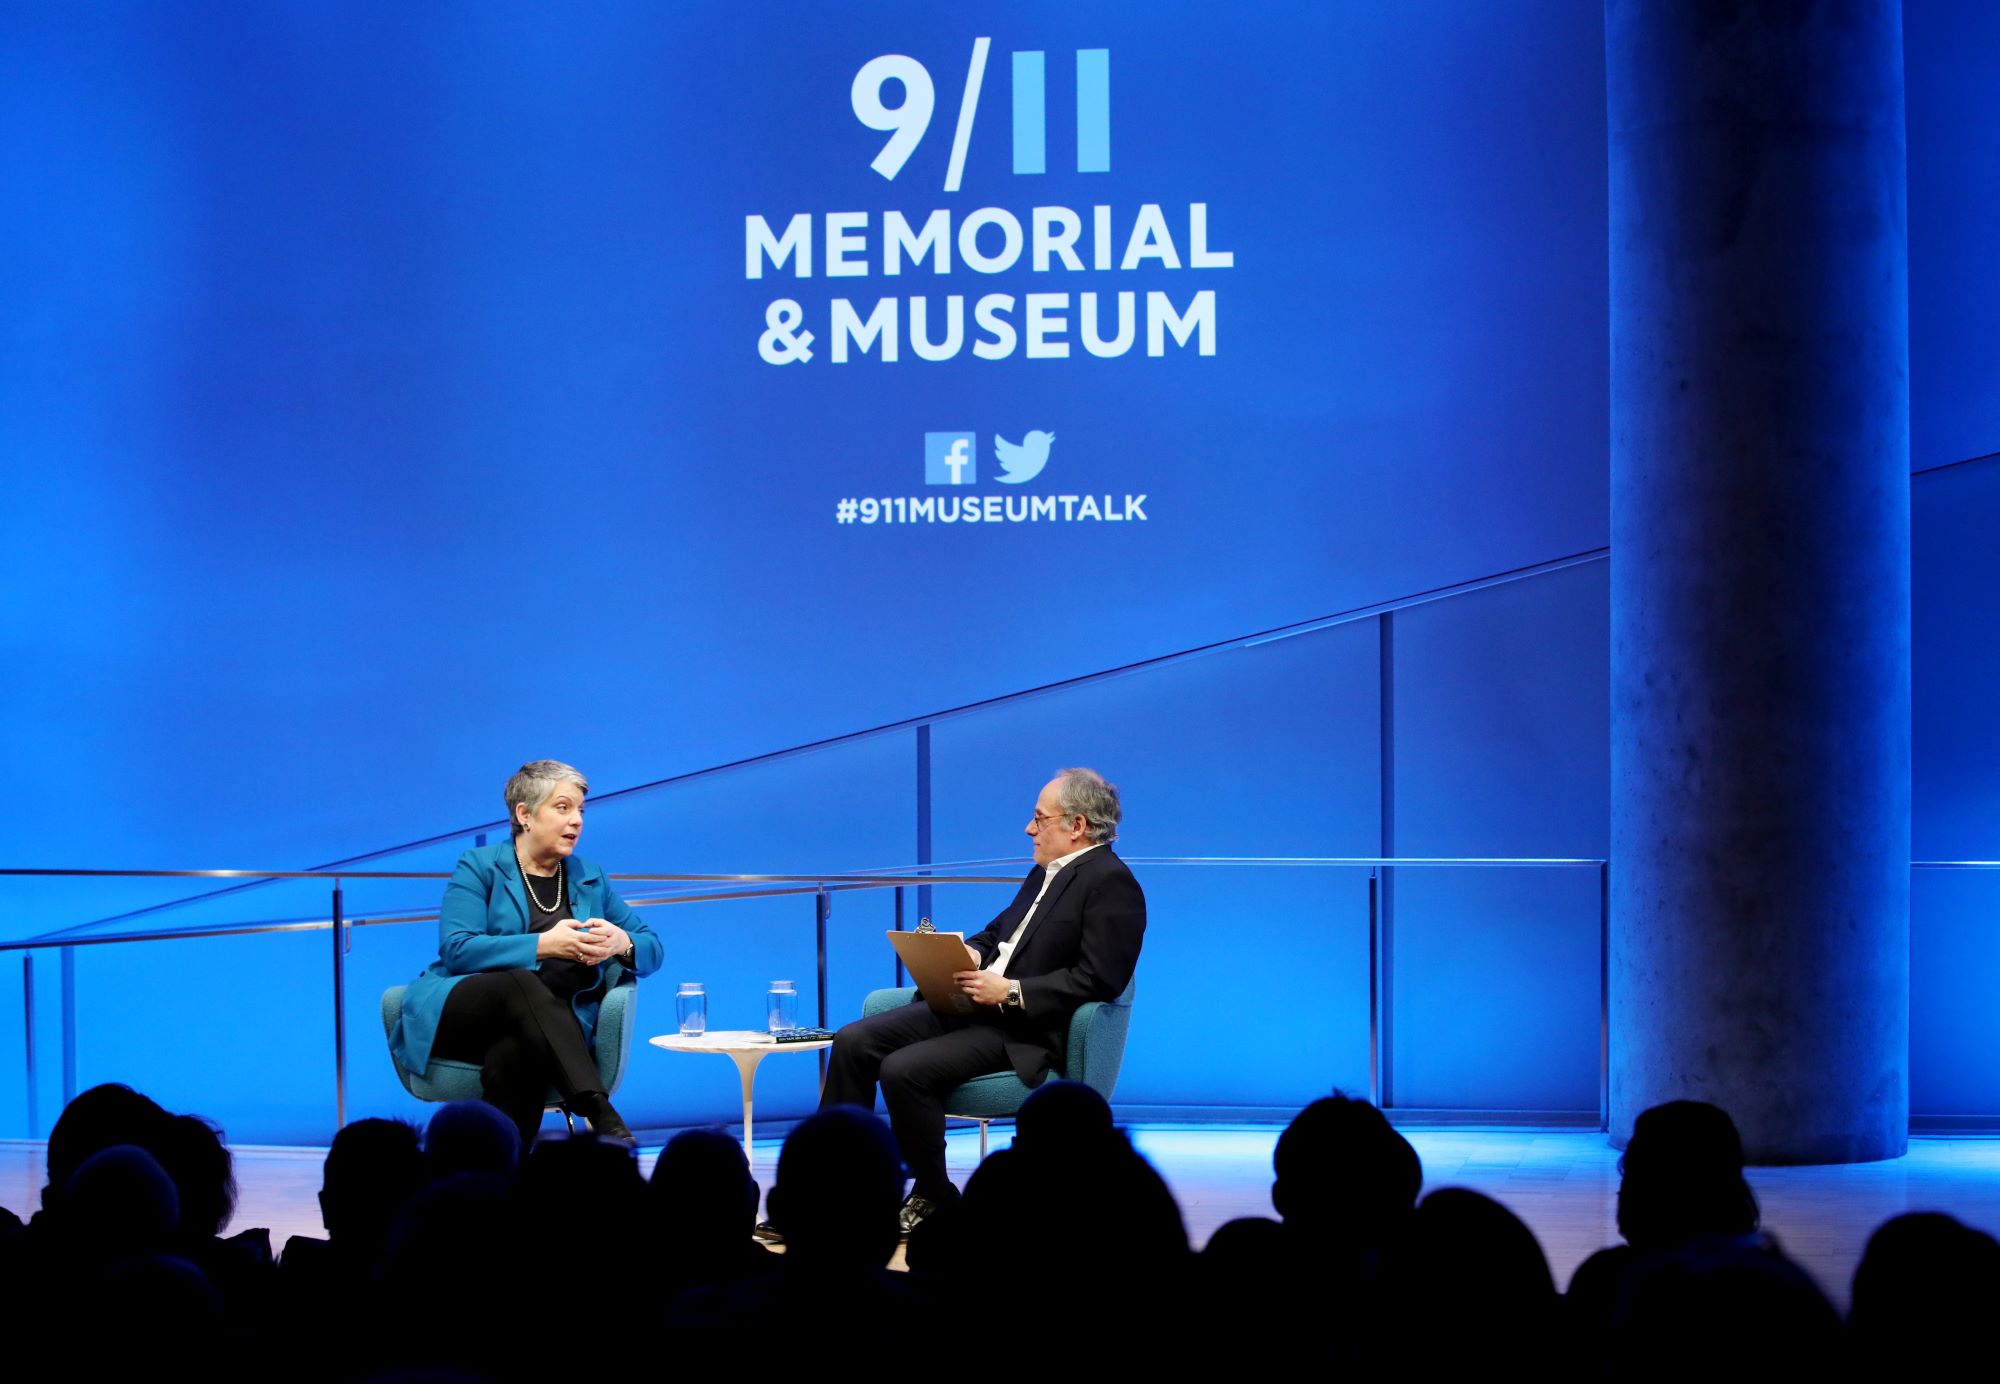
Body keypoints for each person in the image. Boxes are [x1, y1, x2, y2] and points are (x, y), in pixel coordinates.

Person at [816, 767, 1145, 1233]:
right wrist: (972, 950)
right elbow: (1000, 933)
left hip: (1021, 1028)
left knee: (902, 1069)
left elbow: (1101, 979)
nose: (1029, 829)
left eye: (1040, 818)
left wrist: (1011, 991)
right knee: (852, 1040)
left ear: (1077, 826)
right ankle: (832, 1192)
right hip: (974, 1005)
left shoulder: (1112, 882)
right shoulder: (1043, 873)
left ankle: (933, 1194)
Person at [388, 760, 662, 1145]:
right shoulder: (480, 866)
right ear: (525, 814)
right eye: (563, 808)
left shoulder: (590, 877)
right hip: (469, 1014)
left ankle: (501, 1187)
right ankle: (598, 1108)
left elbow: (653, 948)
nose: (577, 821)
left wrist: (623, 942)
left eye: (581, 811)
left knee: (517, 1055)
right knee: (519, 981)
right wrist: (545, 944)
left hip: (546, 1031)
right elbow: (457, 949)